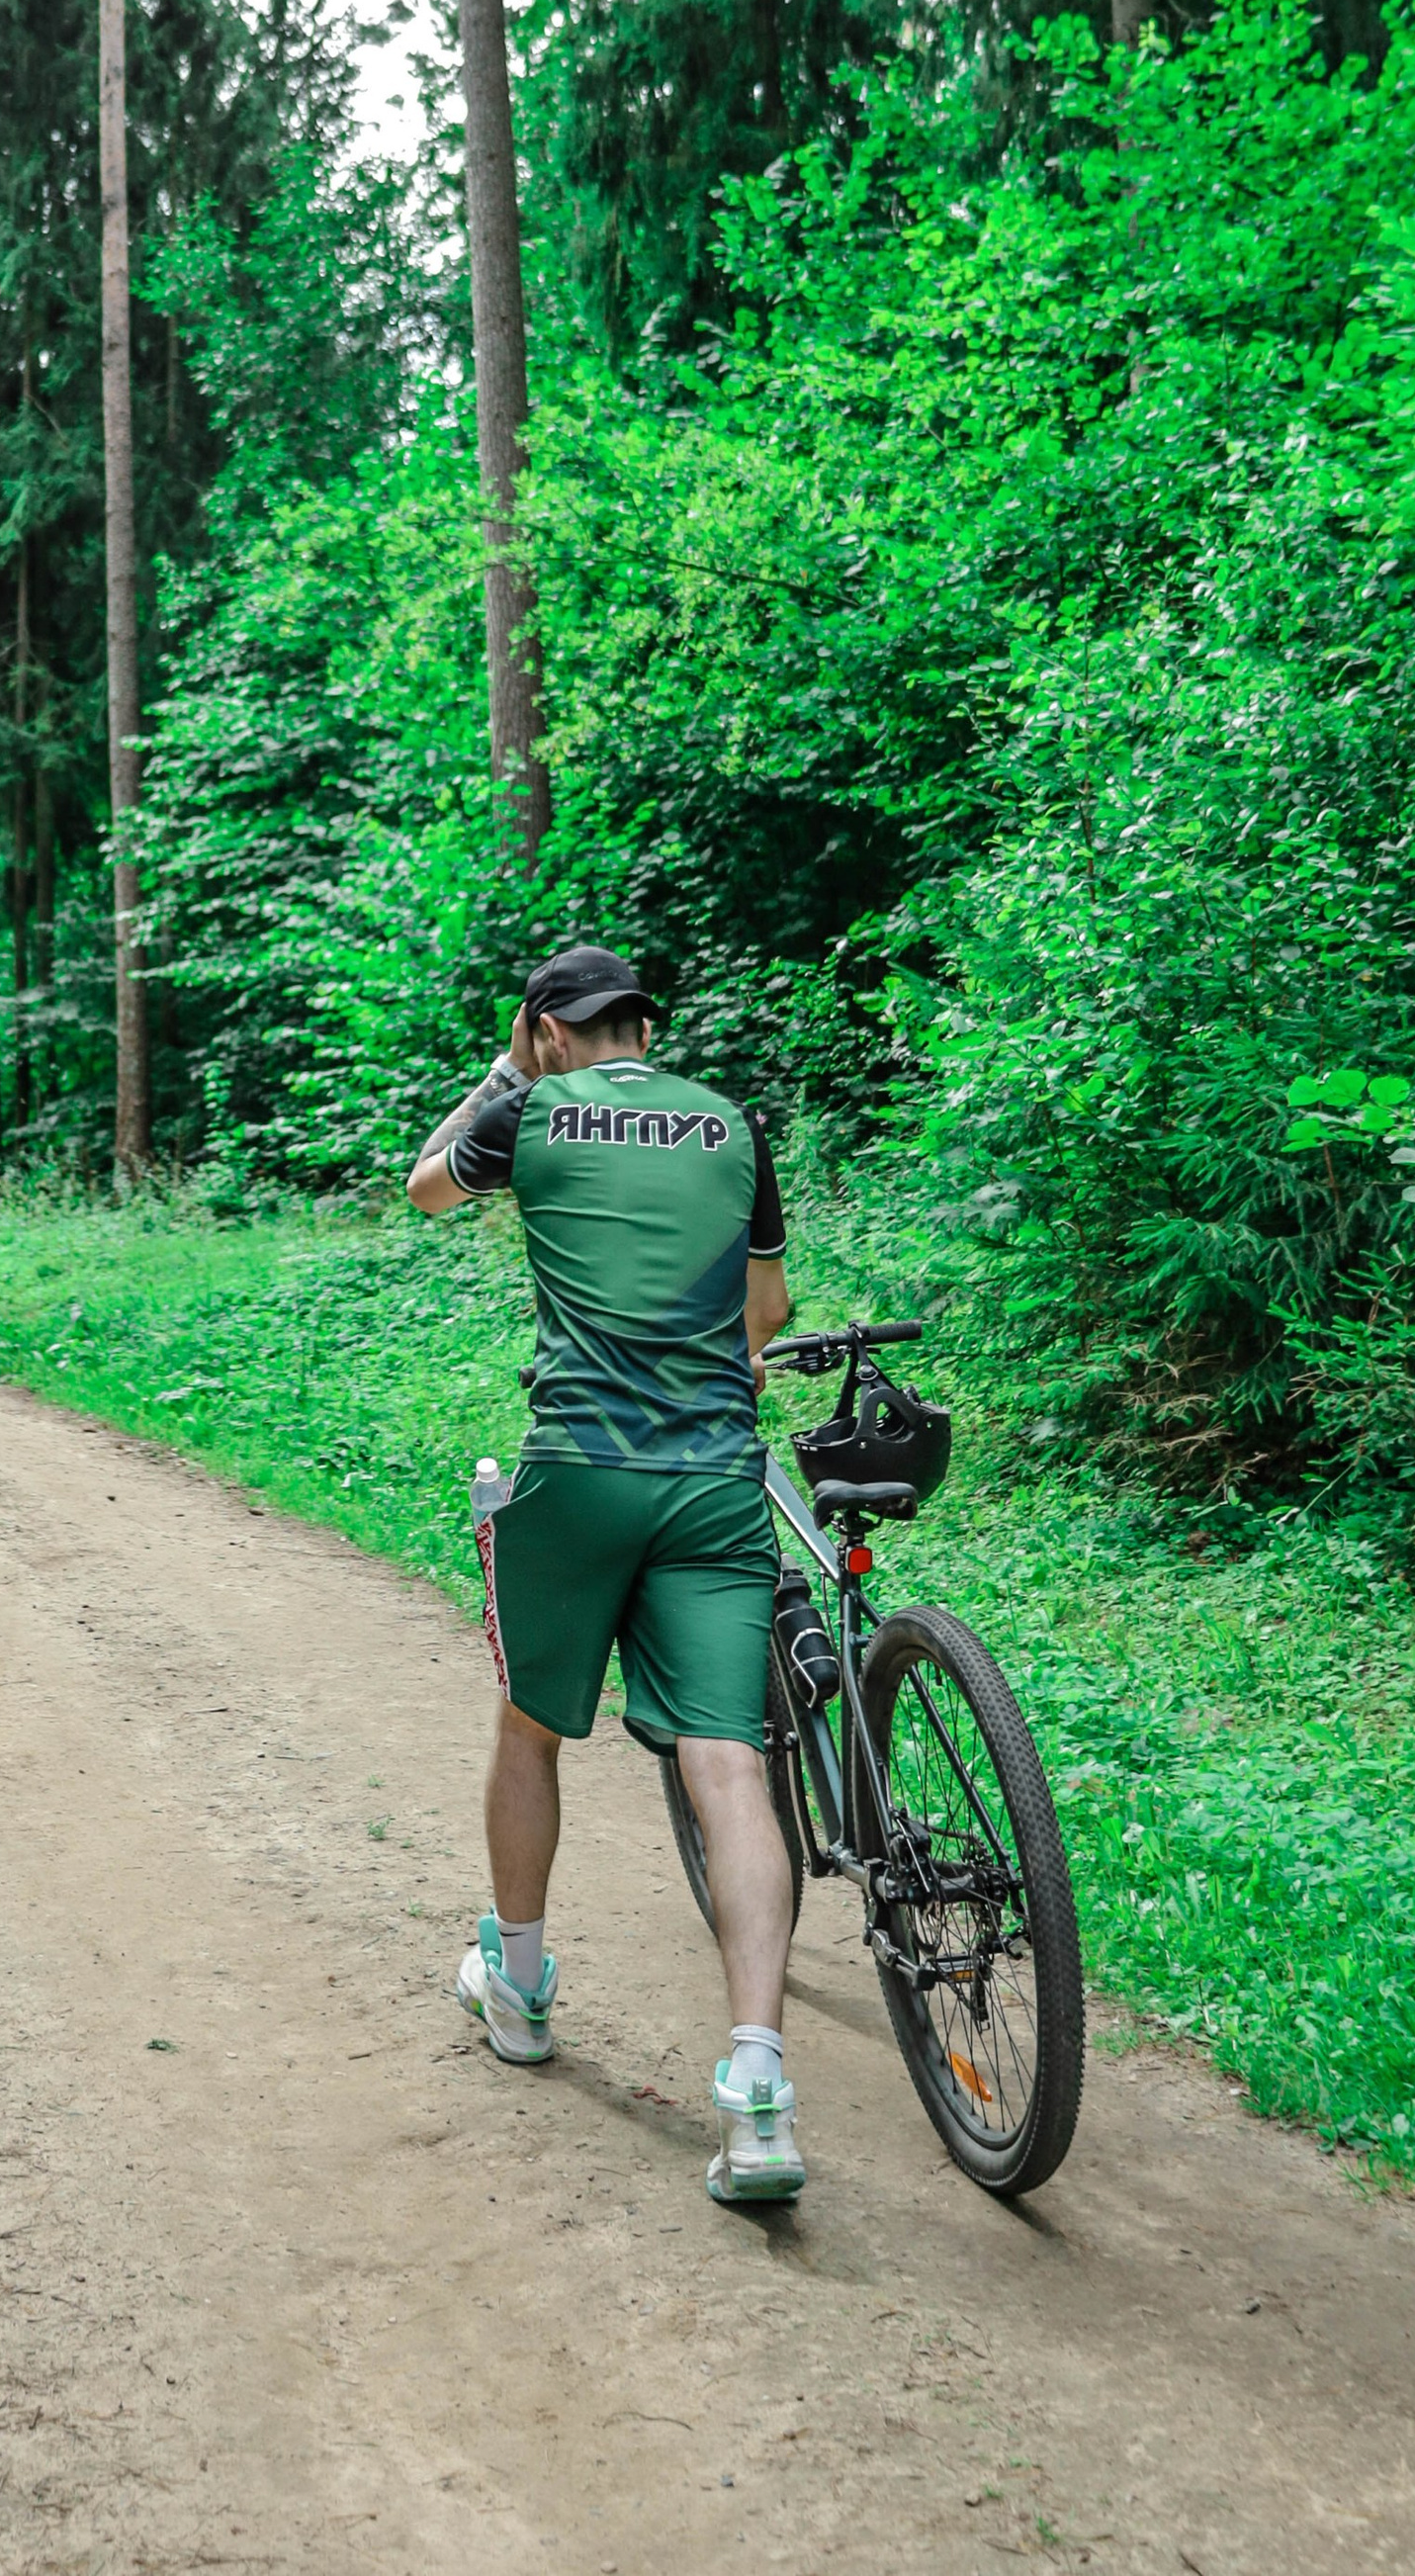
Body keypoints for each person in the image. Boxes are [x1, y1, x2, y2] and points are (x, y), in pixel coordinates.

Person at [406, 943, 805, 2205]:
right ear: (644, 1025)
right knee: (728, 1761)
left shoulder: (523, 1110)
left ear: (549, 1032)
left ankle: (517, 1991)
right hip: (712, 1482)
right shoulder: (732, 1123)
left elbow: (423, 1190)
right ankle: (756, 2088)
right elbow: (769, 1310)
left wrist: (496, 1072)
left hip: (578, 1467)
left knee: (531, 1730)